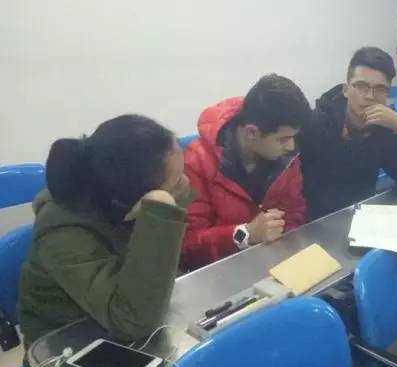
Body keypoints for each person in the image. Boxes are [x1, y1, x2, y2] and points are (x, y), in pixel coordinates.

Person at [19, 115, 193, 350]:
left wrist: (164, 202)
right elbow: (132, 321)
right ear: (131, 198)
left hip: (131, 326)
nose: (185, 183)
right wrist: (161, 210)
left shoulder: (115, 197)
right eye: (176, 182)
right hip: (68, 348)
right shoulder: (62, 232)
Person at [181, 74, 311, 270]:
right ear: (251, 133)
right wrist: (245, 234)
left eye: (293, 137)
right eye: (283, 139)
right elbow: (188, 246)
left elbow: (294, 214)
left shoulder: (285, 158)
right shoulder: (196, 162)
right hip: (219, 273)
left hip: (271, 263)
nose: (291, 146)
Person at [298, 47, 397, 220]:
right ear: (346, 89)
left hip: (363, 217)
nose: (370, 96)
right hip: (315, 222)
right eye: (361, 86)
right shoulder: (315, 125)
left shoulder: (385, 124)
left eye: (380, 89)